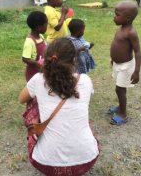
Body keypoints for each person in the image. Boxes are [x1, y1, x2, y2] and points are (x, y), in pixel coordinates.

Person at [19, 38, 99, 175]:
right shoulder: (85, 80)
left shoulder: (38, 79)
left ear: (46, 59)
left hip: (45, 162)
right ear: (74, 59)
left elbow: (21, 99)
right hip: (87, 159)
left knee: (33, 101)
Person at [109, 1, 141, 125]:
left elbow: (138, 52)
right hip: (118, 64)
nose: (114, 17)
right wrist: (113, 58)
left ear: (127, 18)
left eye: (117, 15)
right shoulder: (121, 28)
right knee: (119, 88)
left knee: (120, 89)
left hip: (126, 66)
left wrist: (137, 71)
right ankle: (120, 107)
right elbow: (118, 45)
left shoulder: (131, 32)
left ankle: (123, 114)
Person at [22, 11, 48, 82]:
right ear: (39, 27)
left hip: (42, 70)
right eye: (46, 24)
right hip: (33, 73)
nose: (47, 26)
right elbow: (25, 59)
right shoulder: (29, 41)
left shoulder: (41, 37)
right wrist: (36, 63)